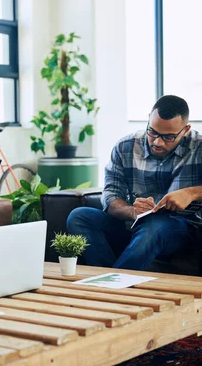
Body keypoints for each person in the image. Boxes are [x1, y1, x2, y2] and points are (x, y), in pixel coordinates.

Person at [67, 95, 202, 270]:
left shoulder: (198, 147)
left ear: (185, 130)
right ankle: (110, 276)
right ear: (148, 119)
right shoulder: (126, 147)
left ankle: (112, 288)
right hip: (134, 224)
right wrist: (131, 211)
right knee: (79, 216)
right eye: (152, 131)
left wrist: (190, 193)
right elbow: (111, 195)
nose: (157, 141)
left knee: (154, 226)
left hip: (180, 229)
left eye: (168, 137)